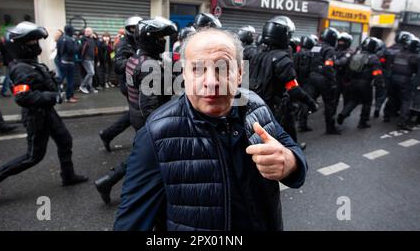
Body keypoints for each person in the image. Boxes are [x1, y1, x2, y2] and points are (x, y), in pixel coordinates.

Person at [113, 27, 307, 231]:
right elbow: (130, 222)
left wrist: (290, 162)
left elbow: (292, 153)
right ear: (184, 74)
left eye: (223, 68)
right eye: (197, 69)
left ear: (240, 73)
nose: (212, 82)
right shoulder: (156, 134)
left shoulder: (256, 105)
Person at [0, 22, 88, 203]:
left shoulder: (30, 63)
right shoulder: (21, 68)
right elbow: (23, 97)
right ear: (20, 46)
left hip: (47, 112)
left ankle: (68, 176)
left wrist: (53, 82)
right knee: (33, 157)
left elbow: (44, 82)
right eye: (31, 43)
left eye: (35, 42)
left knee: (65, 140)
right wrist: (53, 96)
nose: (35, 46)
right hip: (35, 116)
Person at [95, 18, 177, 204]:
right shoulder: (150, 66)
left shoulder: (136, 58)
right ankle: (113, 185)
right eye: (159, 38)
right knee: (146, 156)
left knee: (145, 155)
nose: (163, 41)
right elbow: (150, 103)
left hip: (135, 113)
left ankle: (108, 182)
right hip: (146, 118)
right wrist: (157, 128)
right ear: (148, 39)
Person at [249, 16, 317, 146]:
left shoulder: (256, 54)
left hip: (255, 103)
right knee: (287, 129)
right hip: (275, 106)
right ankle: (294, 150)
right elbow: (293, 88)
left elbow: (244, 81)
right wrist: (311, 102)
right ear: (283, 36)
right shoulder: (283, 60)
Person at [99, 16, 142, 151]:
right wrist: (138, 65)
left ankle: (107, 134)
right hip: (128, 84)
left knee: (135, 113)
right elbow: (118, 64)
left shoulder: (139, 41)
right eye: (132, 28)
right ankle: (143, 144)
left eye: (137, 28)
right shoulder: (123, 44)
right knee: (140, 113)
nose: (135, 31)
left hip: (139, 82)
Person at [336, 37, 384, 129]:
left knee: (353, 100)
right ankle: (363, 122)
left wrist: (347, 81)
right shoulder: (374, 58)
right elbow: (377, 74)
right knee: (367, 103)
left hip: (353, 83)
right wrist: (380, 85)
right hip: (365, 85)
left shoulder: (356, 55)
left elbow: (348, 70)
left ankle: (343, 114)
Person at [303, 27, 341, 135]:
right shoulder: (330, 50)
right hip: (324, 79)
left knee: (309, 100)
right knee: (330, 104)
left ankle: (302, 124)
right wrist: (333, 81)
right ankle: (330, 128)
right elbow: (329, 66)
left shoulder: (316, 46)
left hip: (312, 77)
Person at [57, 25, 78, 103]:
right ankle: (69, 97)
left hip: (62, 61)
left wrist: (60, 60)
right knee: (70, 80)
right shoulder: (70, 39)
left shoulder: (60, 38)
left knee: (61, 79)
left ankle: (57, 94)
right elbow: (72, 50)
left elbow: (58, 51)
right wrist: (76, 44)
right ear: (71, 31)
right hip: (69, 62)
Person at [79, 27, 97, 94]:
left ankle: (90, 87)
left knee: (91, 74)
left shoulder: (92, 39)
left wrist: (95, 38)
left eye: (88, 31)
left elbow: (97, 45)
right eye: (86, 31)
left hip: (92, 58)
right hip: (86, 59)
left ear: (92, 32)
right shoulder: (83, 38)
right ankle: (82, 86)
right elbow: (80, 46)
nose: (86, 32)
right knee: (91, 72)